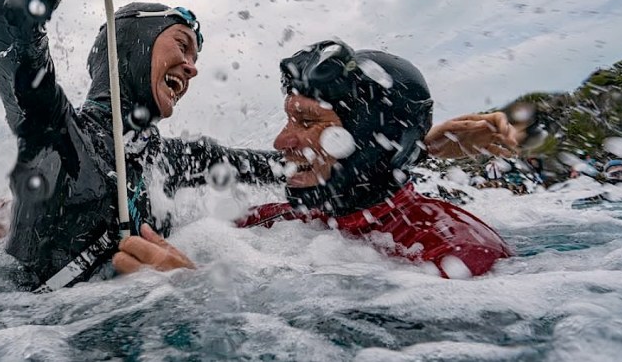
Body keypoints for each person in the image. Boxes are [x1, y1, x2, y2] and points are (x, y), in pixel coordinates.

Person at [0, 0, 523, 289]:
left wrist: (417, 145)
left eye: (199, 56)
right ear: (128, 47)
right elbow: (13, 17)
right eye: (183, 45)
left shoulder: (169, 159)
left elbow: (320, 165)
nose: (193, 68)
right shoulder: (56, 140)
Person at [115, 41, 513, 278]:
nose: (281, 140)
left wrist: (190, 295)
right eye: (289, 118)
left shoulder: (456, 250)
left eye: (306, 121)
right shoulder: (275, 219)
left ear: (371, 141)